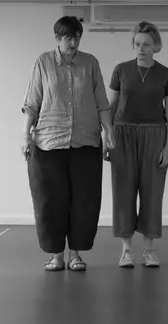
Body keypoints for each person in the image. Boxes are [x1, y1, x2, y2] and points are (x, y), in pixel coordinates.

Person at [22, 17, 115, 271]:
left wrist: (109, 133)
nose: (73, 43)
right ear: (57, 38)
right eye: (68, 38)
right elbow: (32, 102)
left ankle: (75, 255)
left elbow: (101, 102)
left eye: (77, 37)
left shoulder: (90, 63)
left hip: (86, 142)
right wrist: (25, 136)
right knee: (51, 201)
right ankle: (56, 255)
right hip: (49, 143)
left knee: (84, 201)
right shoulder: (43, 62)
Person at [106, 22, 168, 268]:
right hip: (122, 134)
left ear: (155, 46)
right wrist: (107, 135)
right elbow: (111, 106)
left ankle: (149, 250)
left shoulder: (166, 74)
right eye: (137, 44)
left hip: (154, 135)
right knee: (123, 191)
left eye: (146, 44)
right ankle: (126, 250)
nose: (141, 49)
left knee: (152, 192)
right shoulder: (121, 70)